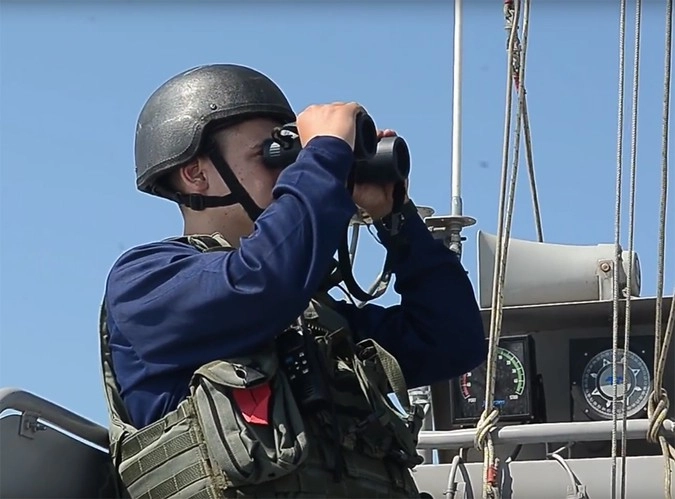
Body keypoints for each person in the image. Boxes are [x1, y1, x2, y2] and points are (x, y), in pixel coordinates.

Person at [99, 63, 487, 499]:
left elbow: (452, 341)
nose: (289, 170)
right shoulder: (147, 281)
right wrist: (324, 153)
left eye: (293, 155)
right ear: (196, 174)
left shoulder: (315, 319)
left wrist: (395, 217)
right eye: (269, 155)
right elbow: (259, 283)